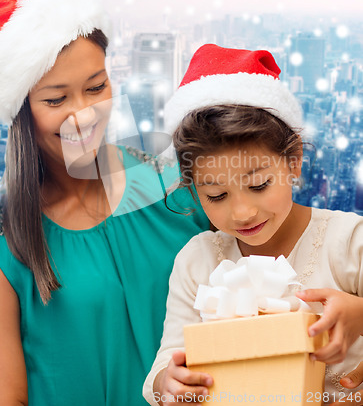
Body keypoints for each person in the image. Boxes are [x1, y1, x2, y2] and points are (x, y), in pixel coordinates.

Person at [0, 0, 210, 406]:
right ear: (20, 113)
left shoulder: (175, 185)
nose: (84, 115)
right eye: (56, 100)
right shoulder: (10, 248)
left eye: (96, 87)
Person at [143, 45, 363, 405]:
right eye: (216, 195)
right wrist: (168, 382)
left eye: (259, 186)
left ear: (293, 163)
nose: (242, 213)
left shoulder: (349, 243)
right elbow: (166, 365)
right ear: (193, 190)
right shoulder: (197, 262)